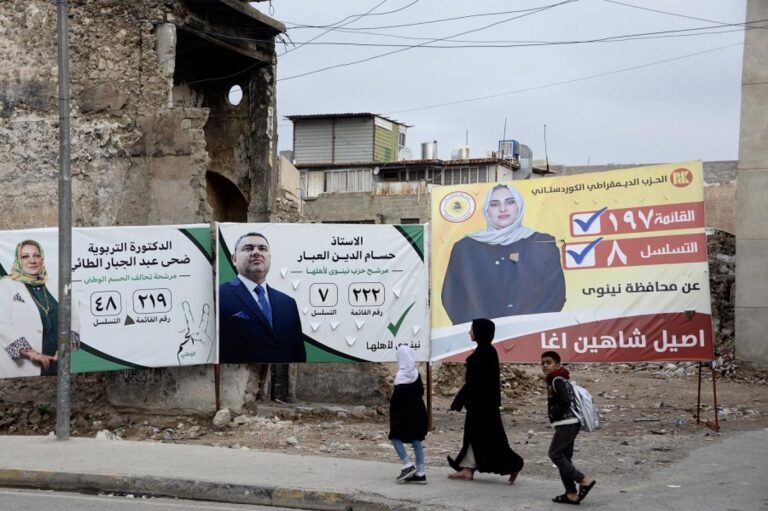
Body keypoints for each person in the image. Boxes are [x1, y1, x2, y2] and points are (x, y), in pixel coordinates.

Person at [441, 184, 566, 325]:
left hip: (531, 331)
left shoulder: (542, 243)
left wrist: (528, 328)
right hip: (481, 334)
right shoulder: (465, 248)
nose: (502, 209)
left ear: (519, 206)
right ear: (486, 210)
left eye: (510, 202)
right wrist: (481, 331)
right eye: (494, 204)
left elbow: (555, 295)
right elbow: (452, 297)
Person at [447, 318, 524, 483]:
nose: (470, 332)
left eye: (472, 329)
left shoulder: (484, 353)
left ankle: (513, 464)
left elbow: (476, 382)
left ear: (480, 332)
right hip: (482, 403)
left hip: (482, 405)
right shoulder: (485, 351)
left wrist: (460, 399)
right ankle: (467, 468)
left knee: (491, 437)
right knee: (475, 435)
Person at [219, 232, 306, 363]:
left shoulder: (288, 303)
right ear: (234, 259)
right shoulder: (219, 295)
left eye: (262, 248)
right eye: (248, 248)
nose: (256, 252)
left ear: (269, 258)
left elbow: (298, 353)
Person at [0, 240, 67, 377]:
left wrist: (66, 346)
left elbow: (74, 317)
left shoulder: (54, 284)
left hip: (62, 362)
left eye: (37, 255)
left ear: (42, 259)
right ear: (18, 260)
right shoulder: (6, 285)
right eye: (25, 256)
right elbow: (3, 325)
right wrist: (32, 354)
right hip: (28, 366)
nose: (32, 260)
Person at [541, 350, 596, 505]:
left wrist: (554, 413)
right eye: (542, 363)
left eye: (548, 362)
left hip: (567, 423)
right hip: (569, 423)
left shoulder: (556, 380)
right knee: (565, 458)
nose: (545, 366)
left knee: (555, 454)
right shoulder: (560, 378)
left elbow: (565, 401)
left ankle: (583, 480)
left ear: (557, 365)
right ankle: (571, 493)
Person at [389, 345, 428, 485]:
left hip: (404, 412)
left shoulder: (401, 376)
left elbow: (397, 398)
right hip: (418, 410)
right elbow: (421, 392)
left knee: (394, 436)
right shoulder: (416, 373)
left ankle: (407, 464)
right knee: (416, 439)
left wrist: (393, 413)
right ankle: (421, 473)